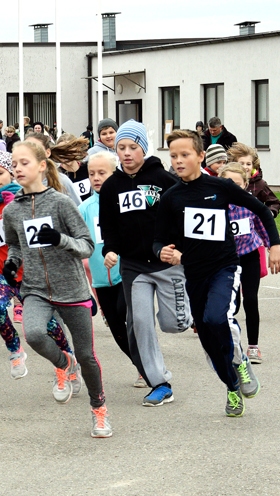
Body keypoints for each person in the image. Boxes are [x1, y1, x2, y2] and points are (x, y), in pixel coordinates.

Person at [154, 130, 280, 417]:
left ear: (201, 156)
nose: (178, 160)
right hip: (194, 273)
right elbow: (159, 238)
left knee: (218, 317)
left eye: (185, 154)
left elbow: (261, 210)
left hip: (225, 267)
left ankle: (240, 363)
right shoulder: (171, 197)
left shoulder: (220, 186)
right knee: (207, 337)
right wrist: (162, 251)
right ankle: (231, 385)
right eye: (173, 156)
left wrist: (274, 245)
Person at [2, 140, 112, 438]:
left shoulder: (61, 202)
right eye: (15, 164)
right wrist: (12, 263)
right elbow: (14, 244)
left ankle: (99, 411)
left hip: (72, 289)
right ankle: (64, 362)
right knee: (34, 333)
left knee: (88, 356)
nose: (18, 168)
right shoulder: (12, 210)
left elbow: (87, 245)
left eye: (24, 163)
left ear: (41, 165)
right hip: (36, 288)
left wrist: (59, 239)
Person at [98, 119, 193, 407]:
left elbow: (183, 214)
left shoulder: (164, 180)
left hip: (167, 264)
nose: (126, 153)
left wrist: (180, 248)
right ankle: (160, 382)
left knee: (174, 324)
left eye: (132, 147)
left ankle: (191, 313)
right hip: (134, 267)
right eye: (121, 148)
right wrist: (110, 250)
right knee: (139, 322)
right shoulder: (111, 186)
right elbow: (109, 225)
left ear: (143, 149)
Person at [0, 150, 72, 379]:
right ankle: (15, 349)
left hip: (29, 272)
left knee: (46, 325)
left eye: (0, 173)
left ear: (11, 174)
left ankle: (67, 356)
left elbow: (41, 229)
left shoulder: (27, 196)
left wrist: (17, 208)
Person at [79, 150, 142, 385]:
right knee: (116, 328)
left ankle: (147, 364)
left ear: (114, 173)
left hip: (125, 273)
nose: (96, 178)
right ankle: (140, 364)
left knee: (127, 316)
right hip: (99, 279)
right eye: (91, 174)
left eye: (102, 173)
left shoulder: (124, 200)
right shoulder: (85, 208)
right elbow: (79, 238)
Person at [219, 163, 271, 367]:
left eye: (237, 184)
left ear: (245, 185)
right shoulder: (215, 206)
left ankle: (254, 346)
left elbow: (261, 225)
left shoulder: (250, 204)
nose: (232, 187)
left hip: (249, 255)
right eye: (227, 183)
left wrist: (272, 246)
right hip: (227, 260)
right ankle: (230, 343)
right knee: (232, 305)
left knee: (250, 299)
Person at [228, 143, 280, 217]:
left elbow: (275, 202)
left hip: (255, 223)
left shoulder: (260, 184)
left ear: (253, 166)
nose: (245, 167)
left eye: (248, 164)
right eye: (241, 164)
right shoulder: (230, 182)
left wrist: (269, 213)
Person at [51, 134, 92, 200]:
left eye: (69, 150)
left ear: (77, 149)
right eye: (62, 151)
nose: (66, 154)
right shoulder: (56, 175)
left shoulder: (88, 168)